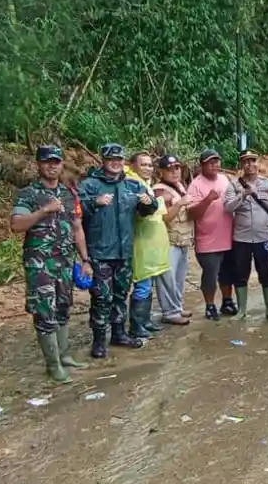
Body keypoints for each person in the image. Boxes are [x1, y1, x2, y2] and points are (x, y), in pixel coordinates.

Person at [10, 145, 92, 382]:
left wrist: (85, 259)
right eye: (47, 162)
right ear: (38, 164)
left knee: (63, 308)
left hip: (64, 262)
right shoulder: (29, 194)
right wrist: (44, 210)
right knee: (44, 312)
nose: (52, 166)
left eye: (56, 162)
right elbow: (16, 225)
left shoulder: (69, 194)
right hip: (40, 264)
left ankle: (64, 356)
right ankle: (53, 365)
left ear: (61, 164)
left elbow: (77, 228)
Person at [78, 143, 158, 358]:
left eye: (119, 159)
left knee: (121, 294)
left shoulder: (132, 185)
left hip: (124, 252)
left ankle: (119, 333)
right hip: (100, 252)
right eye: (111, 159)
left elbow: (150, 208)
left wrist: (149, 202)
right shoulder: (90, 185)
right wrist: (94, 202)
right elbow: (76, 210)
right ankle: (98, 340)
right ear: (103, 160)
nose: (115, 163)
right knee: (101, 297)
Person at [224, 149, 268, 320]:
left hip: (263, 237)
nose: (250, 164)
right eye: (246, 161)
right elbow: (227, 208)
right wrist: (243, 195)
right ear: (241, 165)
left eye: (253, 160)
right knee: (240, 274)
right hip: (241, 238)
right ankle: (242, 310)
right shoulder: (234, 185)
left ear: (258, 163)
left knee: (266, 273)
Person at [126, 152, 172, 339]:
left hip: (151, 244)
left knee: (148, 283)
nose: (147, 168)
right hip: (141, 242)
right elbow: (142, 211)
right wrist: (161, 200)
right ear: (133, 165)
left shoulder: (145, 184)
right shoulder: (132, 183)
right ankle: (136, 325)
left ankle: (145, 321)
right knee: (143, 284)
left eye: (150, 165)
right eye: (143, 164)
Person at [187, 149, 237, 321]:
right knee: (210, 274)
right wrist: (207, 200)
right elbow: (191, 214)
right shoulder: (195, 185)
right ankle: (210, 305)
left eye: (217, 161)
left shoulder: (224, 179)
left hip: (228, 236)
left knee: (227, 273)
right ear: (202, 165)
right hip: (207, 240)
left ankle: (227, 301)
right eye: (210, 162)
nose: (215, 165)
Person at [151, 155, 195, 328]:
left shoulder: (178, 186)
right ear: (161, 172)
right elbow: (165, 218)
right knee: (167, 279)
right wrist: (180, 204)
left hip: (182, 240)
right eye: (169, 169)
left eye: (177, 168)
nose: (175, 172)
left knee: (178, 278)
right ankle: (170, 312)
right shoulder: (159, 190)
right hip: (168, 241)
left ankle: (177, 307)